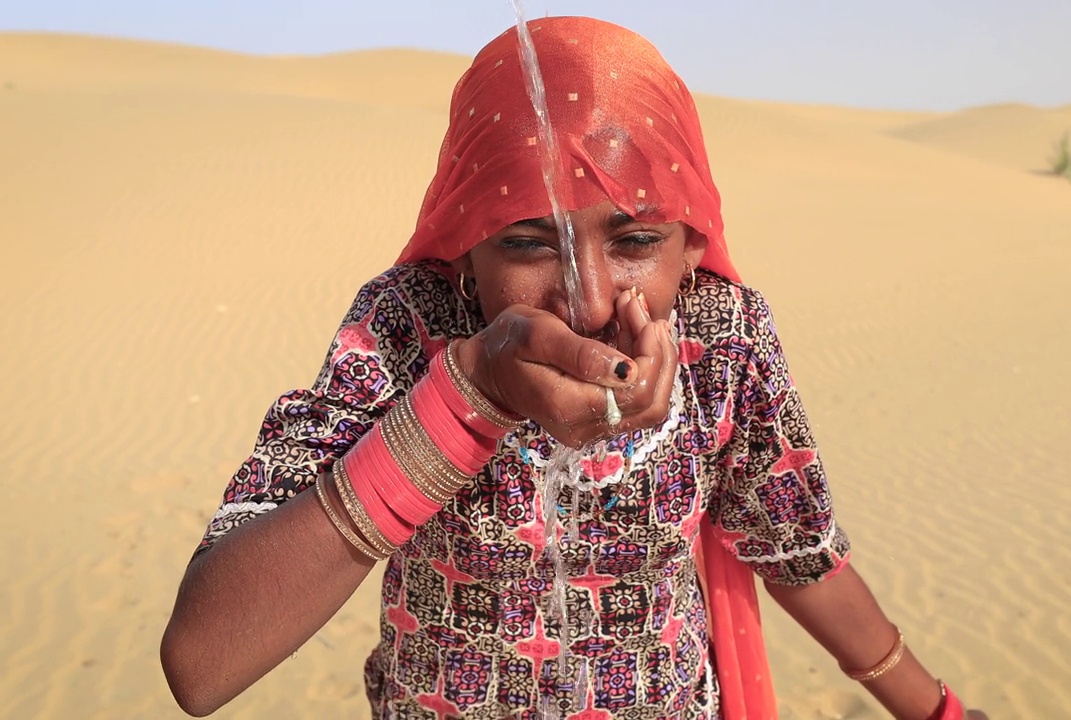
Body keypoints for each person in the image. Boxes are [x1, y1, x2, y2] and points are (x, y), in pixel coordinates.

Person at [160, 15, 985, 720]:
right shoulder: (411, 327)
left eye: (635, 242)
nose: (588, 302)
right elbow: (202, 664)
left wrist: (940, 710)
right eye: (525, 242)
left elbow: (795, 552)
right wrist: (464, 403)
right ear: (465, 245)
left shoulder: (718, 339)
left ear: (693, 244)